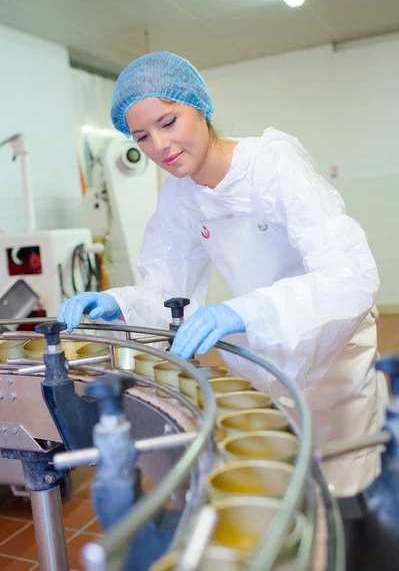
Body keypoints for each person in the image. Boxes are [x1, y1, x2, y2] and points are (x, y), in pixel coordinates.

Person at [59, 51, 387, 498]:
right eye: (143, 137)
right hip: (261, 358)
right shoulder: (180, 196)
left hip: (332, 357)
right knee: (284, 490)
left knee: (345, 491)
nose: (160, 146)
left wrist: (245, 311)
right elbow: (168, 291)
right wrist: (122, 303)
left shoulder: (272, 164)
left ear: (200, 106)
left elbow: (349, 277)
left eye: (168, 122)